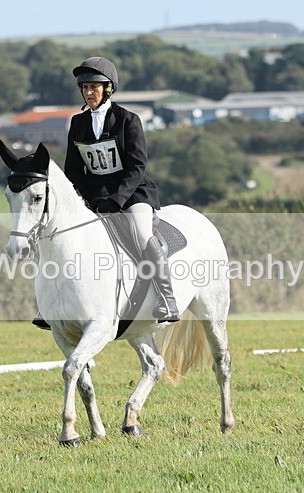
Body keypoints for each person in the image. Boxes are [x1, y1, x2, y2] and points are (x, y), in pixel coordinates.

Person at [33, 56, 179, 329]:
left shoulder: (128, 120)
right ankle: (50, 305)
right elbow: (74, 169)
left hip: (132, 194)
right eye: (85, 88)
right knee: (60, 236)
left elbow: (137, 166)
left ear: (108, 89)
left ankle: (166, 299)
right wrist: (79, 201)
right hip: (94, 197)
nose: (89, 93)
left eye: (94, 87)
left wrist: (117, 200)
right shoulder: (77, 123)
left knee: (142, 233)